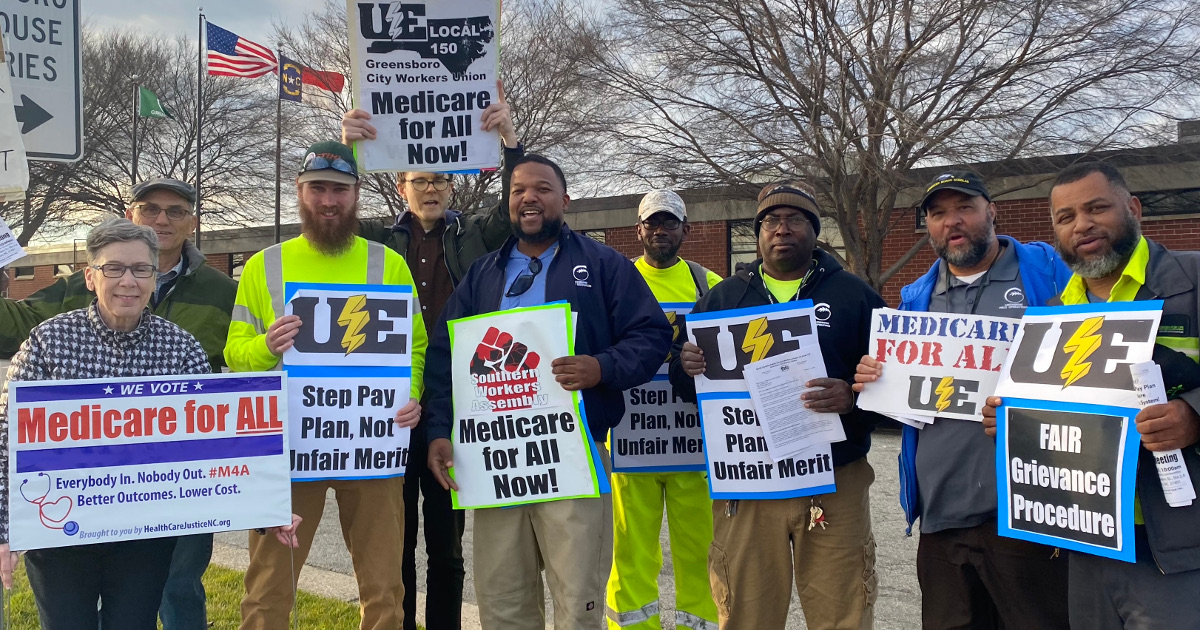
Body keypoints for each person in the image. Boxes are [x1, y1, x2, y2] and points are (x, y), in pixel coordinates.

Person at [0, 218, 297, 629]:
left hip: (143, 536)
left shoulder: (180, 348)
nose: (129, 281)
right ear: (90, 277)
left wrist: (268, 508)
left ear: (155, 277)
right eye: (114, 269)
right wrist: (4, 527)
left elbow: (212, 444)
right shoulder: (48, 342)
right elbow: (7, 439)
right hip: (60, 533)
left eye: (141, 269)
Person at [423, 154, 674, 629]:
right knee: (503, 599)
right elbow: (444, 358)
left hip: (573, 456)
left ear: (565, 200)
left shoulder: (604, 265)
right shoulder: (484, 274)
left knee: (577, 598)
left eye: (541, 188)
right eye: (518, 190)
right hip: (495, 463)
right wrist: (440, 429)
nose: (528, 198)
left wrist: (601, 367)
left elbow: (652, 335)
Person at [982, 161, 1200, 628]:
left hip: (1178, 546)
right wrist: (1010, 420)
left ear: (1133, 208)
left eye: (1096, 208)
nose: (1082, 224)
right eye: (1066, 217)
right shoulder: (1054, 316)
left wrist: (1194, 415)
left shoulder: (1194, 280)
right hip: (1086, 539)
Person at [852, 171, 1071, 629]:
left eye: (964, 208)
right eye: (937, 214)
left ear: (992, 212)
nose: (952, 222)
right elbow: (901, 400)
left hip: (1027, 513)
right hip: (942, 515)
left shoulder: (1048, 275)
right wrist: (874, 377)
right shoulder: (915, 303)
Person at [342, 81, 522, 630]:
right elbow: (329, 210)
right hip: (392, 403)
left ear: (452, 185)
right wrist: (347, 148)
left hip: (452, 400)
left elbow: (516, 203)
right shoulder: (374, 240)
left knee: (446, 546)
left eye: (440, 179)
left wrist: (509, 140)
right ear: (401, 188)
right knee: (395, 545)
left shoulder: (475, 236)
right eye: (420, 180)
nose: (432, 189)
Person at [226, 141, 428, 630]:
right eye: (318, 188)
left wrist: (413, 396)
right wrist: (265, 347)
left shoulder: (388, 264)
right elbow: (234, 354)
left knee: (384, 586)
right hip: (290, 447)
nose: (329, 201)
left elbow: (415, 345)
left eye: (339, 189)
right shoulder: (263, 266)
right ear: (300, 191)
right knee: (269, 584)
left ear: (357, 193)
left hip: (373, 443)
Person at [670, 182, 884, 630]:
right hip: (749, 483)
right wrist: (684, 365)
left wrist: (853, 399)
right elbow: (687, 387)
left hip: (832, 480)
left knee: (842, 611)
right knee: (746, 614)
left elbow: (890, 385)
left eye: (794, 219)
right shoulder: (724, 298)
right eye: (770, 220)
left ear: (814, 230)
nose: (781, 228)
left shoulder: (853, 296)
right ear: (758, 233)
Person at [607, 189, 721, 630]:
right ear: (638, 230)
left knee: (701, 549)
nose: (660, 230)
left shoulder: (709, 284)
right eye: (651, 223)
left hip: (693, 442)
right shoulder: (617, 279)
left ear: (685, 230)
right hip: (631, 440)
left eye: (669, 222)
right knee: (630, 552)